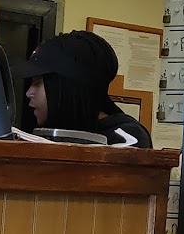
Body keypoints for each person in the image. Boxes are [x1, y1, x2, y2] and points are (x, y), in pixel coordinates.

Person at [19, 30, 153, 147]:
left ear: (68, 87)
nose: (29, 93)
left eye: (37, 83)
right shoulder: (49, 135)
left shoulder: (127, 138)